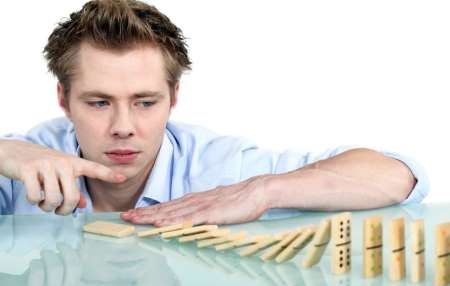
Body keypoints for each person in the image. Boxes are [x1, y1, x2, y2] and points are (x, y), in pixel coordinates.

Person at [0, 0, 428, 226]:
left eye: (146, 102)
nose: (123, 128)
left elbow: (400, 175)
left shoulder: (218, 167)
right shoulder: (25, 160)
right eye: (98, 103)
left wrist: (262, 192)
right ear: (63, 99)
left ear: (175, 97)